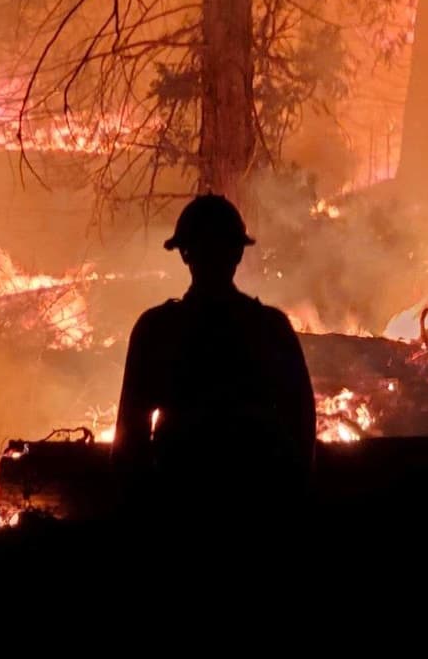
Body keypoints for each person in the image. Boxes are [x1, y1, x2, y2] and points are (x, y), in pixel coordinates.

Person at [112, 194, 316, 523]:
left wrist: (135, 510)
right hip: (258, 500)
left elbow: (130, 437)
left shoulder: (157, 328)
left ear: (183, 254)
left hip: (178, 499)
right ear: (238, 254)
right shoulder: (269, 327)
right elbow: (301, 427)